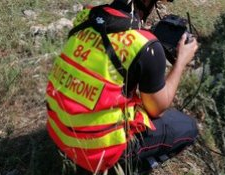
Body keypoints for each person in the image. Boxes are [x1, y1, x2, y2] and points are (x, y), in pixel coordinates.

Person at [45, 0, 199, 174]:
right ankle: (127, 168)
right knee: (188, 127)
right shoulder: (145, 45)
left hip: (58, 132)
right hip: (98, 154)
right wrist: (180, 62)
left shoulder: (87, 15)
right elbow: (157, 109)